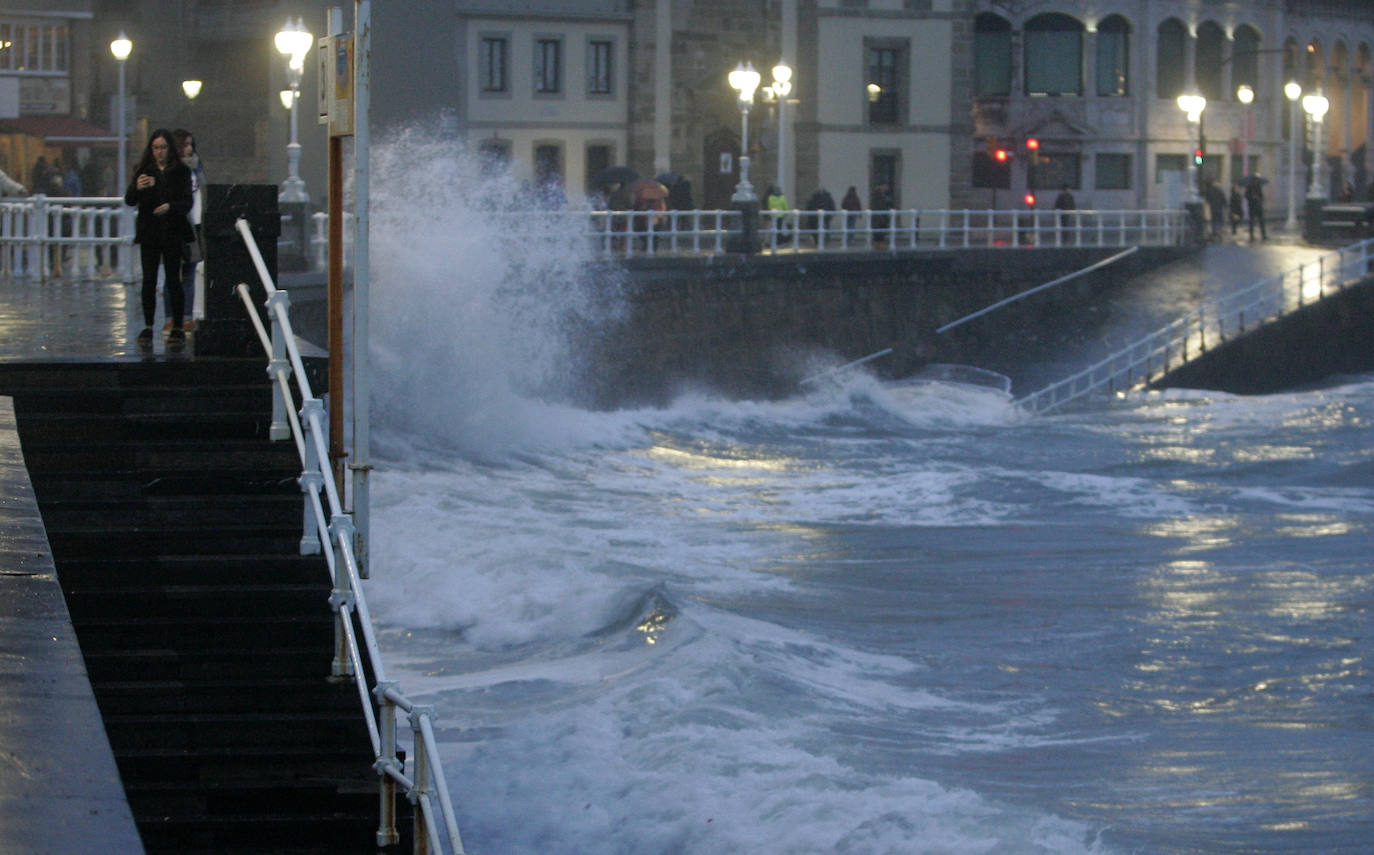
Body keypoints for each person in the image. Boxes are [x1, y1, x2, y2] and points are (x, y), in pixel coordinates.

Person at [125, 128, 194, 346]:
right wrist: (137, 187)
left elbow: (186, 202)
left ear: (169, 148)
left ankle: (177, 326)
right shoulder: (144, 171)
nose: (159, 152)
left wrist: (169, 206)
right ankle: (148, 326)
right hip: (150, 232)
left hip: (172, 231)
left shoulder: (181, 171)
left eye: (163, 147)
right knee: (149, 279)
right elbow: (130, 200)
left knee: (174, 279)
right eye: (155, 148)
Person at [166, 129, 207, 332]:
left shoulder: (197, 168)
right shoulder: (170, 169)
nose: (189, 149)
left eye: (191, 144)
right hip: (175, 224)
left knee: (190, 272)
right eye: (185, 145)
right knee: (172, 273)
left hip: (194, 225)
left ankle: (187, 317)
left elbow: (203, 193)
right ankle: (171, 318)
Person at [870, 182, 894, 248]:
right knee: (880, 230)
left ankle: (878, 243)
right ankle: (879, 244)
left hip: (880, 216)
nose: (887, 188)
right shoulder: (879, 195)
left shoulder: (878, 194)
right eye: (885, 186)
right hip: (880, 217)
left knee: (880, 230)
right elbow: (880, 205)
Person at [1244, 174, 1267, 241]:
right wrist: (1252, 197)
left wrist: (1259, 198)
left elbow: (1261, 196)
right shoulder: (1249, 187)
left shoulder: (1259, 187)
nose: (1256, 181)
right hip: (1253, 206)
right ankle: (1252, 236)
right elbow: (1246, 196)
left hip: (1258, 206)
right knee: (1252, 222)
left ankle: (1263, 235)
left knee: (1260, 221)